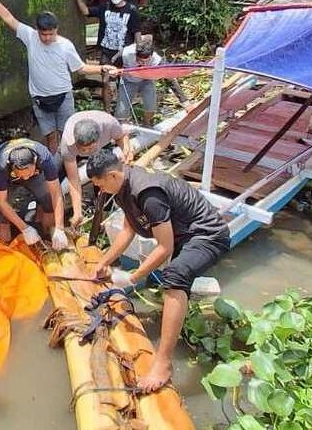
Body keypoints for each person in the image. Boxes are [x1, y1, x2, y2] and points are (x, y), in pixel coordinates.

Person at [86, 149, 230, 393]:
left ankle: (163, 365)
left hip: (207, 235)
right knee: (175, 281)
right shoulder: (122, 187)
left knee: (174, 277)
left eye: (100, 185)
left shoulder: (147, 192)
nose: (100, 190)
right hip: (185, 235)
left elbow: (164, 247)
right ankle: (174, 321)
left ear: (112, 175)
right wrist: (104, 262)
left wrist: (131, 278)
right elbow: (128, 230)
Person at [0, 0, 113, 153]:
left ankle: (68, 160)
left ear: (57, 30)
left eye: (51, 34)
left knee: (68, 134)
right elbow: (8, 17)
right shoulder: (30, 36)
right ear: (37, 30)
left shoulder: (65, 45)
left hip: (63, 96)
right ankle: (53, 161)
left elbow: (80, 68)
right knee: (50, 135)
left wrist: (102, 68)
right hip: (40, 98)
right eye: (44, 34)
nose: (47, 38)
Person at [72, 0, 140, 111]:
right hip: (106, 52)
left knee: (123, 83)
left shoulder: (131, 10)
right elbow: (85, 11)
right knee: (106, 82)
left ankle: (122, 111)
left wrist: (137, 52)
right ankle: (107, 110)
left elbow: (137, 32)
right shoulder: (105, 7)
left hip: (124, 53)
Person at [0, 138, 68, 249]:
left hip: (37, 177)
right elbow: (1, 201)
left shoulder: (44, 158)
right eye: (21, 175)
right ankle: (4, 249)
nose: (25, 178)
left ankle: (48, 240)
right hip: (8, 180)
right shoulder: (1, 165)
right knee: (2, 217)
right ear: (10, 165)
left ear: (35, 161)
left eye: (28, 173)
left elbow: (56, 193)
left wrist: (60, 228)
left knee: (48, 201)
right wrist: (25, 228)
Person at [62, 111, 132, 229]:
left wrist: (127, 153)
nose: (86, 152)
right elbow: (73, 178)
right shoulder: (67, 143)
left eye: (89, 148)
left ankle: (104, 216)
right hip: (74, 151)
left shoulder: (109, 124)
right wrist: (77, 211)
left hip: (103, 146)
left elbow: (121, 137)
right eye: (82, 149)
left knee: (105, 178)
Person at [116, 35, 190, 127]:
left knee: (151, 107)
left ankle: (147, 124)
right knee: (121, 111)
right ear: (135, 55)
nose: (143, 64)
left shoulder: (157, 59)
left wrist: (185, 102)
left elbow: (169, 78)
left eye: (146, 61)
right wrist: (115, 74)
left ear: (151, 56)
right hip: (129, 80)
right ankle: (121, 127)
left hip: (147, 79)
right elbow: (113, 66)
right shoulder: (125, 53)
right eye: (140, 61)